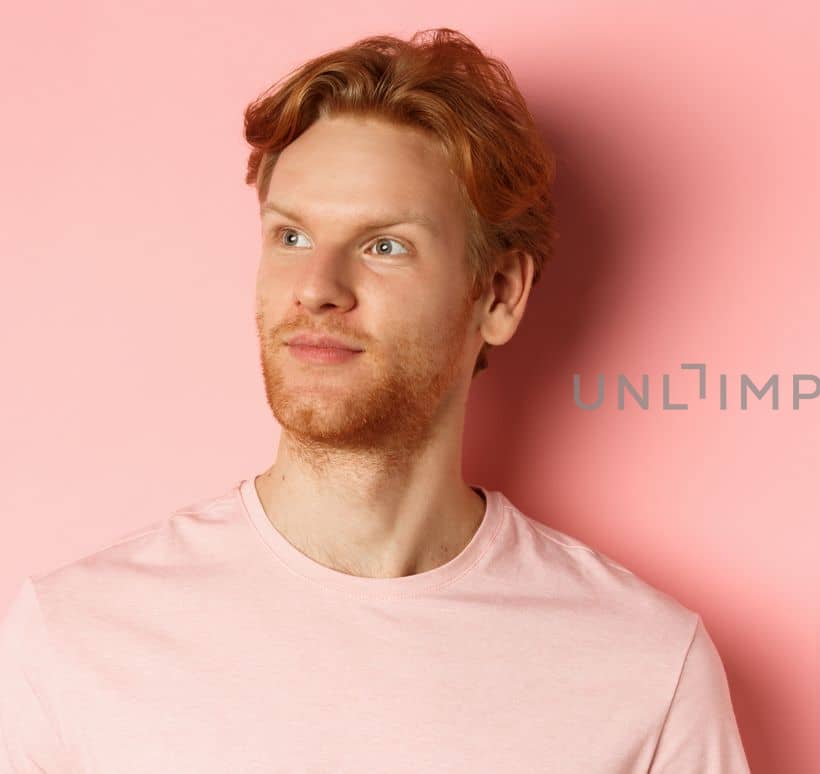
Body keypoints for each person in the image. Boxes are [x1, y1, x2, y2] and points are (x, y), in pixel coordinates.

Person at [0, 28, 751, 773]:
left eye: (383, 245)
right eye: (291, 236)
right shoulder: (73, 639)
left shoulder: (643, 667)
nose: (318, 288)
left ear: (498, 293)